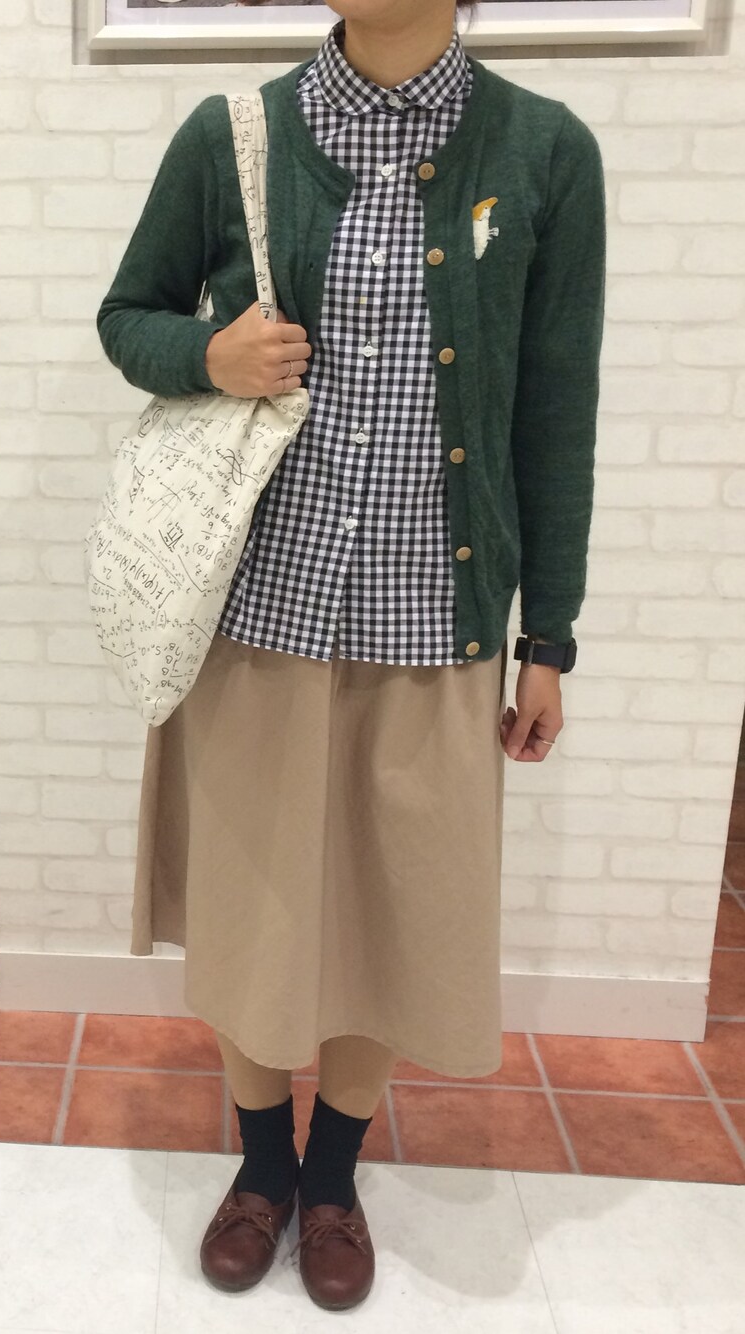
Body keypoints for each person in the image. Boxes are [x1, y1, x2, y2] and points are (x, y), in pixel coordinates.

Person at [97, 0, 605, 1311]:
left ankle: (333, 1177)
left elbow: (556, 408)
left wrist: (548, 635)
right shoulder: (235, 135)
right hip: (257, 613)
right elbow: (126, 318)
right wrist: (207, 353)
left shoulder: (544, 153)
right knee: (257, 907)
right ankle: (262, 1166)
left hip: (435, 619)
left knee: (396, 909)